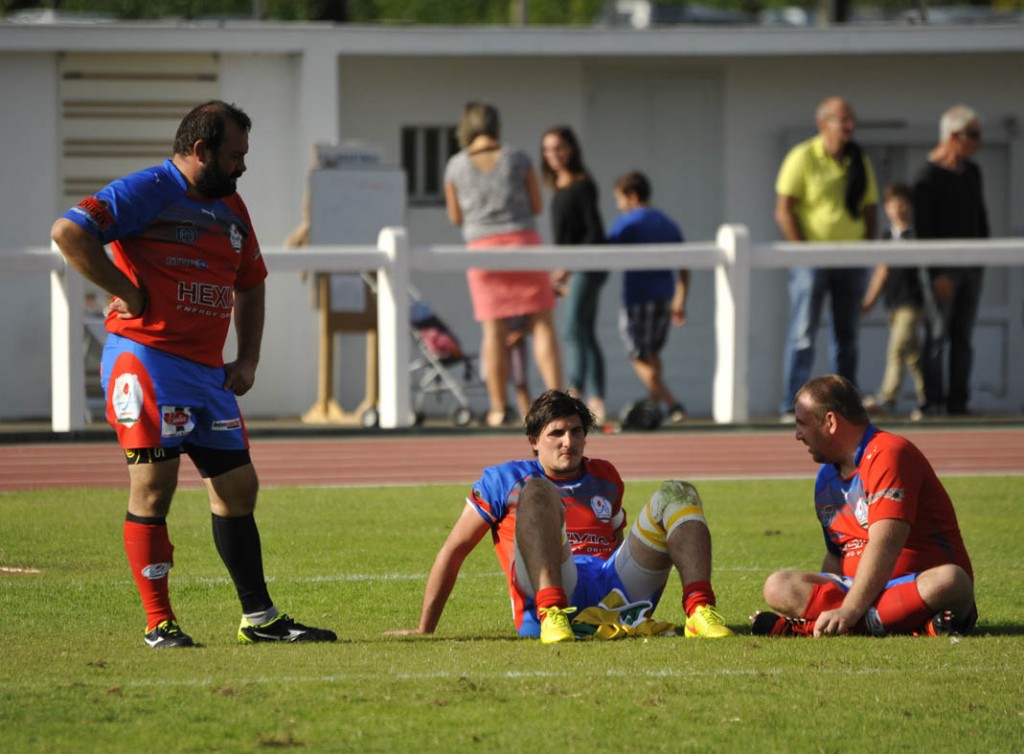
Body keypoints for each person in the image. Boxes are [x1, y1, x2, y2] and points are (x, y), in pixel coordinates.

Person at [50, 100, 336, 649]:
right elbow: (69, 232)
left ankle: (259, 618)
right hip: (147, 360)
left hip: (207, 375)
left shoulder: (231, 205)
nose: (242, 167)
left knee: (238, 489)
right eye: (235, 155)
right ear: (201, 150)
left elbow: (251, 281)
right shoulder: (146, 189)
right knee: (154, 488)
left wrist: (247, 357)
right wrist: (127, 291)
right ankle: (160, 624)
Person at [386, 389, 733, 643]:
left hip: (609, 586)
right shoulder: (503, 479)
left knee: (677, 491)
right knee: (536, 491)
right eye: (556, 433)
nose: (569, 442)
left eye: (577, 431)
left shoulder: (606, 476)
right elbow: (454, 550)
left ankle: (699, 611)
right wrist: (425, 628)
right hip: (555, 587)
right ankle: (553, 616)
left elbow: (617, 544)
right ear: (534, 440)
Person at [751, 374, 976, 638]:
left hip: (916, 584)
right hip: (859, 590)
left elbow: (886, 546)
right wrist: (832, 600)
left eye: (802, 423)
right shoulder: (825, 478)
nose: (797, 435)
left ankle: (824, 627)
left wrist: (848, 611)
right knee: (778, 586)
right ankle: (913, 624)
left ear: (831, 422)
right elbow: (836, 555)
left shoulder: (889, 454)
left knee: (952, 581)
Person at [444, 102, 563, 427]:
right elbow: (537, 206)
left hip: (481, 250)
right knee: (542, 324)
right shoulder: (519, 158)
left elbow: (455, 217)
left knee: (493, 332)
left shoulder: (455, 166)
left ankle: (498, 408)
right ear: (496, 125)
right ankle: (558, 403)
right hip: (524, 243)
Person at [776, 96, 879, 419]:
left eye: (851, 120)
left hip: (851, 261)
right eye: (841, 120)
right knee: (803, 334)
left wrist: (866, 248)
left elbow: (870, 207)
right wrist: (804, 252)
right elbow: (784, 209)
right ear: (823, 125)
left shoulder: (858, 159)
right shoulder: (802, 156)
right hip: (812, 260)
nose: (849, 126)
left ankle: (846, 408)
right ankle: (792, 406)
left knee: (846, 336)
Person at [913, 105, 989, 416]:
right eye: (973, 135)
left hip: (972, 267)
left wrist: (983, 256)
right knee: (936, 333)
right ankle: (932, 402)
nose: (977, 142)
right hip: (942, 269)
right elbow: (922, 230)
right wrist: (936, 272)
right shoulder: (927, 177)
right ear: (954, 136)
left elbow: (980, 218)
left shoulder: (972, 172)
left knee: (963, 336)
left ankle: (959, 403)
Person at [607, 171, 689, 424]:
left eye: (619, 201)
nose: (619, 208)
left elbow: (601, 250)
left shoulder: (629, 222)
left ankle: (672, 404)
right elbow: (686, 262)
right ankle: (655, 407)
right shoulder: (666, 222)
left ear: (632, 197)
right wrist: (680, 298)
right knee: (651, 355)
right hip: (664, 298)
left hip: (638, 298)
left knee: (637, 354)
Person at [541, 126, 608, 424]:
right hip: (571, 265)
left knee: (572, 330)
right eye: (547, 149)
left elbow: (594, 232)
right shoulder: (558, 185)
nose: (553, 155)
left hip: (588, 265)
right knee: (584, 331)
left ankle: (577, 394)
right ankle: (595, 398)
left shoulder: (582, 184)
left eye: (559, 148)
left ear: (572, 148)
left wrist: (567, 266)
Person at [861, 183, 927, 421]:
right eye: (891, 205)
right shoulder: (887, 236)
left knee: (896, 349)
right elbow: (882, 270)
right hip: (893, 303)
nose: (897, 209)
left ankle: (887, 398)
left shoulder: (917, 234)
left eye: (901, 204)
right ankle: (928, 399)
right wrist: (869, 299)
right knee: (913, 355)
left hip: (913, 302)